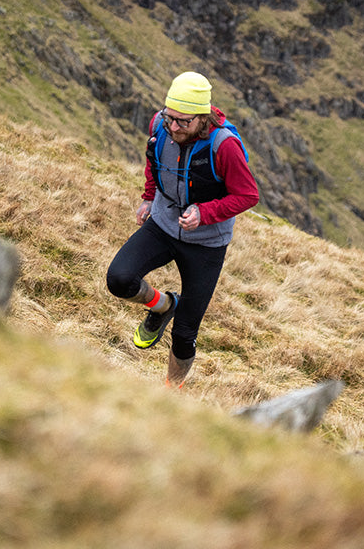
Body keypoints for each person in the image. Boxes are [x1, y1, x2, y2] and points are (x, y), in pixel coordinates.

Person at [106, 71, 259, 388]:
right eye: (169, 117)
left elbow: (248, 195)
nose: (173, 127)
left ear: (202, 117)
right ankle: (163, 306)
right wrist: (149, 197)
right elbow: (154, 160)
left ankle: (170, 390)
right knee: (119, 279)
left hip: (206, 244)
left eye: (183, 122)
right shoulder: (159, 126)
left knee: (185, 333)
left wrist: (206, 213)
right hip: (163, 224)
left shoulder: (224, 146)